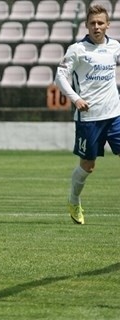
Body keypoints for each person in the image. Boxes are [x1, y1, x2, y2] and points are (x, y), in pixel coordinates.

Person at [54, 4, 120, 225]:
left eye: (100, 23)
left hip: (114, 115)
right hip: (89, 118)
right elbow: (60, 76)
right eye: (93, 23)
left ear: (108, 25)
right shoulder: (77, 49)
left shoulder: (115, 47)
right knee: (87, 166)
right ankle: (74, 200)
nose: (97, 26)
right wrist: (76, 99)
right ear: (86, 26)